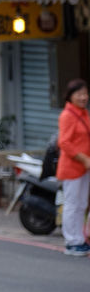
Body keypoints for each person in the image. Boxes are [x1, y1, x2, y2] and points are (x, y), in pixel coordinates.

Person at [56, 78, 90, 256]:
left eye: (85, 93)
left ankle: (79, 239)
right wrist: (83, 158)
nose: (83, 97)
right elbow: (65, 142)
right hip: (72, 167)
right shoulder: (67, 115)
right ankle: (71, 242)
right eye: (79, 94)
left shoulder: (83, 113)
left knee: (81, 204)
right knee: (72, 204)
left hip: (84, 168)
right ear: (70, 96)